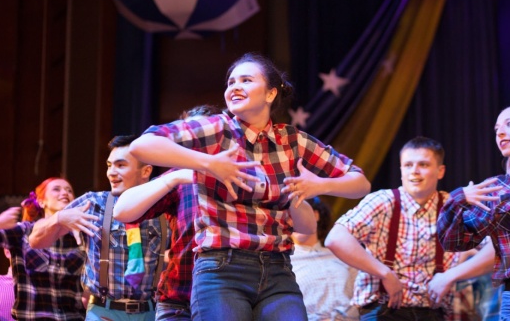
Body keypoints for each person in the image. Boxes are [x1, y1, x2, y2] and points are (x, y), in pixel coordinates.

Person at [129, 52, 371, 321]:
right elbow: (142, 145)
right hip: (221, 268)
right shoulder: (215, 129)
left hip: (278, 269)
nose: (234, 87)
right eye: (230, 82)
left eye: (246, 80)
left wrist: (318, 185)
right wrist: (209, 163)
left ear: (270, 94)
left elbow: (360, 182)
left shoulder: (293, 140)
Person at [325, 136, 494, 321]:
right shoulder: (382, 201)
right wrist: (384, 272)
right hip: (383, 309)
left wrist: (450, 276)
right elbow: (335, 238)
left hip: (433, 313)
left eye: (423, 164)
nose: (414, 171)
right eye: (408, 165)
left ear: (440, 171)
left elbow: (498, 247)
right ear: (401, 170)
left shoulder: (453, 206)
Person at [29, 135, 166, 321]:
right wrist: (59, 218)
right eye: (109, 165)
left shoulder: (164, 208)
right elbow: (35, 241)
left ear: (146, 171)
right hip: (103, 312)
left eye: (121, 165)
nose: (111, 172)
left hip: (151, 313)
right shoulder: (94, 203)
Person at [113, 104, 219, 320]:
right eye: (188, 134)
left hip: (224, 296)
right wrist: (175, 177)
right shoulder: (178, 176)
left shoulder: (238, 173)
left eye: (202, 133)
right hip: (181, 297)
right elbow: (122, 210)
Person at [437, 103, 510, 320]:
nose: (500, 132)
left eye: (509, 124)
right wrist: (458, 199)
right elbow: (453, 242)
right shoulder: (495, 190)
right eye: (497, 129)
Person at [0, 177, 85, 320]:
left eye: (69, 190)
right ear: (41, 201)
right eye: (56, 189)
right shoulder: (23, 232)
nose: (65, 193)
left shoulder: (82, 238)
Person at [290, 196, 360, 321]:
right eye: (290, 217)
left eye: (299, 214)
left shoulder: (341, 254)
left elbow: (361, 293)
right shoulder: (284, 262)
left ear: (315, 215)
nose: (296, 222)